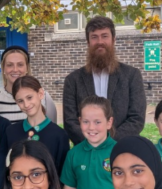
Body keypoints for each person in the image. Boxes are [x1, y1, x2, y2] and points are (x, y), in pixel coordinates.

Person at [62, 16, 146, 144]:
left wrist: (108, 144)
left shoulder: (131, 76)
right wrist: (92, 144)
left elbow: (136, 119)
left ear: (113, 40)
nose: (100, 41)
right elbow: (70, 122)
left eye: (104, 36)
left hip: (121, 149)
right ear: (88, 42)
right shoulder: (73, 80)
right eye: (94, 37)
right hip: (86, 152)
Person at [61, 95, 117, 189]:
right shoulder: (73, 154)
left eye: (97, 122)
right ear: (79, 121)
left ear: (109, 122)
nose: (91, 127)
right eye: (86, 121)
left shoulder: (119, 152)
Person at [5, 75, 70, 175]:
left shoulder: (59, 135)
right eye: (20, 101)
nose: (26, 105)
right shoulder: (10, 132)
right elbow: (6, 169)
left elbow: (62, 174)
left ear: (40, 94)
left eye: (29, 98)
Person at [0, 45, 58, 123]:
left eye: (20, 65)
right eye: (10, 65)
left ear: (27, 68)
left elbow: (52, 129)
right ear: (3, 69)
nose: (15, 69)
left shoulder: (42, 96)